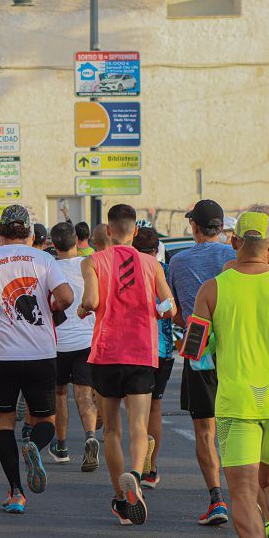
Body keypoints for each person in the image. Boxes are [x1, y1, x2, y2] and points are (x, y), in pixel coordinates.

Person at [0, 205, 73, 515]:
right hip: (41, 354)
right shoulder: (44, 259)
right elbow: (66, 298)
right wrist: (48, 305)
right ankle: (34, 447)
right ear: (29, 233)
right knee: (46, 422)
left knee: (3, 426)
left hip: (2, 356)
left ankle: (15, 493)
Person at [80, 204, 176, 526]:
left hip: (107, 354)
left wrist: (83, 310)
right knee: (138, 426)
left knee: (111, 431)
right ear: (134, 231)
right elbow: (169, 306)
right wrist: (160, 309)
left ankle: (122, 500)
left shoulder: (93, 261)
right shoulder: (152, 264)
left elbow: (92, 301)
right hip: (141, 353)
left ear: (108, 231)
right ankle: (136, 474)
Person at [191, 211, 269, 538]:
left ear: (233, 241)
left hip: (237, 404)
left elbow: (195, 355)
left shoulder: (211, 290)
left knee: (243, 494)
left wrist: (217, 347)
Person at [168, 199, 235, 526]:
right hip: (237, 346)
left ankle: (216, 500)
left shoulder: (178, 261)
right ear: (221, 228)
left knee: (204, 429)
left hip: (199, 344)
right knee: (244, 424)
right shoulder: (235, 257)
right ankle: (250, 496)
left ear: (194, 227)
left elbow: (178, 312)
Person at [47, 222, 99, 472]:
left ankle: (62, 446)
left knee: (59, 395)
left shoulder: (49, 268)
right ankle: (90, 435)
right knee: (83, 395)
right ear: (77, 240)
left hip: (57, 343)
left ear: (53, 244)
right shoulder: (88, 266)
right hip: (86, 341)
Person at [133, 226, 175, 489]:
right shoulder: (165, 271)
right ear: (157, 249)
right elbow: (173, 307)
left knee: (137, 410)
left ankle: (137, 466)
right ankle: (151, 469)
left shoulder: (130, 272)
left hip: (136, 348)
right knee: (155, 408)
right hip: (164, 349)